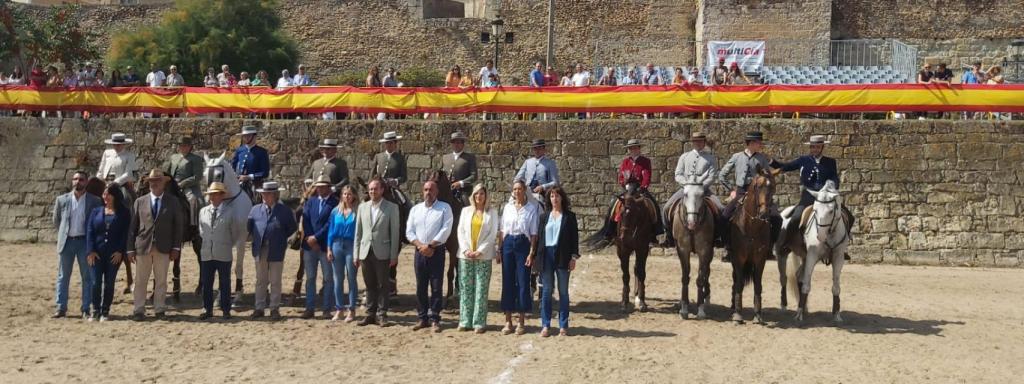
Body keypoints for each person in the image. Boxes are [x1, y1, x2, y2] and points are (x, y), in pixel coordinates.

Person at [127, 169, 185, 321]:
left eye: (157, 181)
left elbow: (178, 227)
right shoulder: (140, 201)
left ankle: (160, 308)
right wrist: (130, 248)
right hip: (143, 246)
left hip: (164, 246)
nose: (154, 184)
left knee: (161, 280)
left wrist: (176, 247)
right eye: (152, 181)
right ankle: (138, 309)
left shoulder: (173, 201)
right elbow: (132, 227)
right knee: (140, 280)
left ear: (163, 183)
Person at [770, 135, 841, 253]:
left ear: (822, 147)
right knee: (796, 218)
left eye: (818, 147)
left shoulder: (830, 162)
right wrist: (771, 162)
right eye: (813, 147)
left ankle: (840, 247)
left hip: (825, 197)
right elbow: (786, 166)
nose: (815, 149)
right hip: (808, 196)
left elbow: (834, 177)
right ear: (810, 148)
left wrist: (833, 185)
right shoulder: (803, 160)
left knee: (845, 215)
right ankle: (787, 243)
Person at [52, 171, 103, 319]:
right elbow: (57, 221)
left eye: (81, 179)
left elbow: (96, 223)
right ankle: (61, 308)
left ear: (86, 182)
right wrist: (64, 234)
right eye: (75, 179)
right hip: (67, 242)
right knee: (63, 276)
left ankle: (86, 308)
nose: (77, 182)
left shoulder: (95, 201)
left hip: (84, 243)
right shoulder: (61, 200)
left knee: (87, 277)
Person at [718, 131, 777, 260]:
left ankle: (769, 248)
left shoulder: (762, 158)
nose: (761, 145)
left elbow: (769, 176)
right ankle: (727, 247)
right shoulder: (736, 157)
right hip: (740, 192)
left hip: (758, 194)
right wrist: (732, 190)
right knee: (724, 217)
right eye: (758, 142)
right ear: (750, 143)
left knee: (776, 218)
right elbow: (722, 175)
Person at [406, 181, 454, 333]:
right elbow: (409, 231)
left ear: (437, 191)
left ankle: (435, 318)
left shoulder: (444, 208)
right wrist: (420, 245)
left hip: (436, 251)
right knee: (420, 285)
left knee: (436, 285)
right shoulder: (415, 209)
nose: (428, 192)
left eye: (431, 190)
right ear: (422, 191)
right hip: (419, 251)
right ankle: (422, 317)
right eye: (426, 190)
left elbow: (446, 229)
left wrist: (431, 246)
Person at [354, 178, 402, 327]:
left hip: (383, 251)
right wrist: (356, 254)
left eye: (375, 189)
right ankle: (370, 314)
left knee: (383, 284)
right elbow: (358, 232)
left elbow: (395, 233)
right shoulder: (362, 207)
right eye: (370, 189)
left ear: (382, 190)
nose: (372, 192)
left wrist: (394, 255)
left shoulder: (392, 207)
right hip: (365, 251)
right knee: (369, 284)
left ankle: (382, 314)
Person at [595, 139, 663, 243]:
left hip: (640, 189)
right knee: (614, 204)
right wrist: (624, 183)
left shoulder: (645, 161)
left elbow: (647, 177)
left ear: (639, 149)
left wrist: (643, 187)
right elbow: (621, 178)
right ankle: (609, 232)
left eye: (635, 148)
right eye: (631, 148)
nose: (633, 150)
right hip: (628, 189)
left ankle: (655, 232)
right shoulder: (625, 162)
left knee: (653, 205)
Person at [247, 181, 298, 320]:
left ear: (275, 195)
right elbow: (250, 228)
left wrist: (280, 239)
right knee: (260, 280)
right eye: (263, 193)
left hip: (276, 249)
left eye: (267, 193)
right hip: (260, 249)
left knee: (275, 280)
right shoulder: (255, 210)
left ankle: (274, 308)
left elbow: (291, 228)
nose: (264, 196)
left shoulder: (284, 211)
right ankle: (259, 307)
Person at [197, 182, 246, 320]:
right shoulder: (203, 211)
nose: (212, 197)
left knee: (224, 282)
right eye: (211, 194)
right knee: (207, 282)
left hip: (223, 252)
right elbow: (202, 231)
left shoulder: (230, 212)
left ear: (221, 196)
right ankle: (207, 308)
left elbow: (235, 233)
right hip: (207, 252)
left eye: (215, 194)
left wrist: (224, 242)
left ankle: (225, 309)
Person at [536, 186, 579, 337]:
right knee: (546, 291)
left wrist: (573, 257)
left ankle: (563, 324)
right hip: (546, 255)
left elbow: (574, 239)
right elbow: (539, 239)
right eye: (552, 196)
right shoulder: (544, 217)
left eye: (557, 196)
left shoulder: (569, 217)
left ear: (562, 198)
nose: (554, 199)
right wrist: (535, 257)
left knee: (563, 292)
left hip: (562, 256)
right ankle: (546, 324)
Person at [498, 180, 540, 335]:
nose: (517, 192)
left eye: (520, 189)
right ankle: (508, 321)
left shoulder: (531, 209)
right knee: (507, 281)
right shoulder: (507, 208)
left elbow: (534, 234)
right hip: (508, 244)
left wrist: (531, 253)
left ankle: (521, 321)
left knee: (523, 282)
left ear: (524, 190)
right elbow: (502, 230)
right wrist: (499, 249)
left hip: (523, 243)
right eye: (515, 189)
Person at [456, 184, 498, 333]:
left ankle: (479, 322)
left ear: (486, 196)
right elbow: (460, 231)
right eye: (476, 194)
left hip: (484, 256)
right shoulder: (465, 211)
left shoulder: (492, 213)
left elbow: (492, 235)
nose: (479, 197)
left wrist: (479, 251)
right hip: (465, 256)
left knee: (481, 289)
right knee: (466, 289)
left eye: (482, 194)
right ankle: (465, 320)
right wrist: (466, 249)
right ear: (473, 196)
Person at [85, 184, 129, 322]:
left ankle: (105, 310)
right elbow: (90, 231)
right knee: (95, 283)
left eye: (108, 194)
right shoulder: (95, 211)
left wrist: (120, 251)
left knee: (109, 283)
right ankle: (95, 310)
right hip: (96, 253)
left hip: (113, 254)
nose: (105, 197)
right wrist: (91, 251)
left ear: (115, 196)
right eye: (104, 194)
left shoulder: (124, 213)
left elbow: (125, 234)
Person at [301, 176, 339, 319]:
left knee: (328, 278)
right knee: (310, 278)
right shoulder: (311, 201)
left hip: (325, 245)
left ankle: (326, 309)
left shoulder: (335, 203)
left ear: (329, 187)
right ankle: (309, 308)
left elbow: (330, 223)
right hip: (309, 245)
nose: (320, 189)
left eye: (323, 186)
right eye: (318, 186)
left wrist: (316, 238)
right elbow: (305, 220)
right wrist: (310, 238)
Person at [326, 185, 359, 322]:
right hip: (336, 245)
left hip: (351, 245)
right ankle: (339, 309)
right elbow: (330, 231)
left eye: (349, 194)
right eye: (345, 194)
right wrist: (328, 248)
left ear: (354, 196)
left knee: (351, 278)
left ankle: (351, 310)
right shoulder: (335, 211)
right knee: (337, 279)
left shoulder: (357, 212)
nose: (347, 196)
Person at [514, 139, 560, 210]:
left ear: (544, 149)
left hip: (543, 193)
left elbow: (555, 182)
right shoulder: (527, 162)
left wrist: (543, 186)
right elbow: (518, 178)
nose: (537, 150)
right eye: (535, 148)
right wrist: (521, 186)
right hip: (527, 191)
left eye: (539, 148)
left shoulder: (550, 163)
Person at [163, 136, 205, 206]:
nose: (182, 147)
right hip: (172, 185)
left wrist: (182, 184)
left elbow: (197, 176)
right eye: (180, 145)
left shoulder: (196, 159)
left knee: (194, 200)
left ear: (189, 147)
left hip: (188, 187)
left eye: (185, 146)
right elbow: (167, 172)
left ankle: (196, 215)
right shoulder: (173, 157)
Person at [232, 125, 271, 197]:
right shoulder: (239, 150)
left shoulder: (262, 152)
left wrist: (249, 177)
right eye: (244, 136)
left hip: (256, 184)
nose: (246, 138)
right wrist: (236, 176)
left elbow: (265, 173)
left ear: (254, 136)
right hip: (239, 183)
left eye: (248, 136)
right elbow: (232, 166)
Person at [441, 131, 477, 206]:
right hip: (447, 190)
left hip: (463, 191)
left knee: (466, 203)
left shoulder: (469, 158)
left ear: (463, 144)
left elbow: (474, 176)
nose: (456, 145)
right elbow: (441, 173)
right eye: (453, 142)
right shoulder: (445, 157)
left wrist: (460, 183)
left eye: (458, 142)